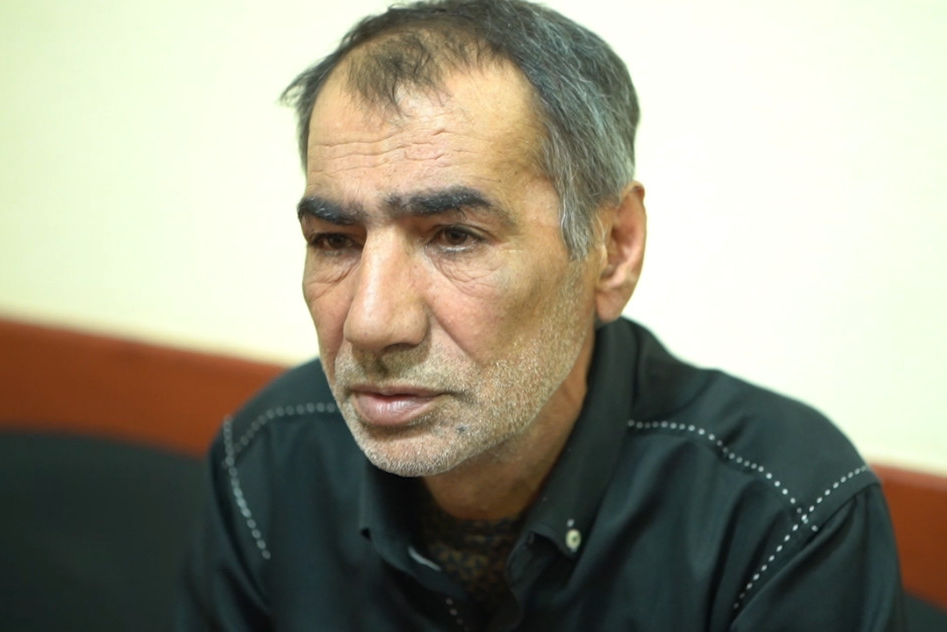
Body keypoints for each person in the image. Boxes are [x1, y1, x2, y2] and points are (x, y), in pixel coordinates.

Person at [175, 0, 907, 629]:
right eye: (335, 240)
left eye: (454, 236)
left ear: (612, 249)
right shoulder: (268, 460)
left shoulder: (781, 512)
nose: (369, 323)